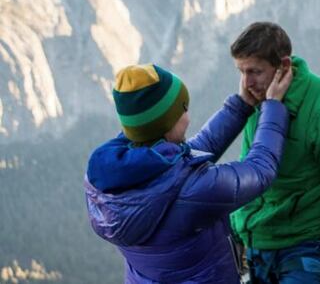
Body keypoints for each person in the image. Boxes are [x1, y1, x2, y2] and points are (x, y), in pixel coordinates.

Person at [84, 62, 292, 283]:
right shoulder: (195, 192)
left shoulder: (104, 182)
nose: (188, 116)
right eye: (183, 108)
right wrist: (273, 105)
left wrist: (240, 106)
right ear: (166, 122)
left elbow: (187, 158)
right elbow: (260, 170)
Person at [228, 22, 320, 284]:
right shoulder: (259, 103)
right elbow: (248, 172)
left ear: (283, 66)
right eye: (241, 72)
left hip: (303, 248)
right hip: (259, 247)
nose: (246, 83)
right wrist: (239, 230)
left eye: (254, 72)